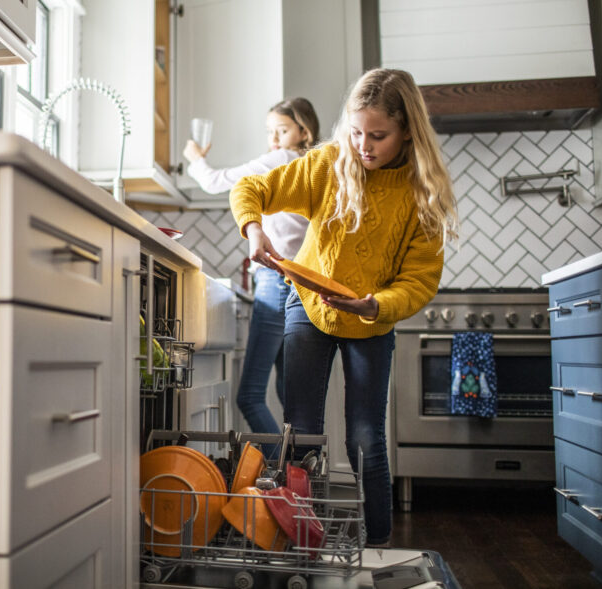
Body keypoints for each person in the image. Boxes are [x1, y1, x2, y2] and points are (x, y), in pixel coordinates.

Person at [229, 69, 459, 548]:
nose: (363, 146)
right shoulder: (329, 162)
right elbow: (250, 190)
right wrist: (254, 229)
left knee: (366, 442)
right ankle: (302, 548)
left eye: (378, 136)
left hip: (372, 320)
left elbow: (419, 281)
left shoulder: (422, 192)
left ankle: (376, 551)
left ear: (407, 132)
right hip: (308, 307)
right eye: (356, 132)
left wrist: (375, 305)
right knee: (302, 437)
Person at [183, 97, 320, 459]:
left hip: (276, 283)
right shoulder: (310, 166)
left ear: (303, 131)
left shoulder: (282, 161)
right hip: (296, 284)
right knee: (288, 396)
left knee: (249, 396)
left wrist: (196, 157)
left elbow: (217, 182)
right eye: (270, 132)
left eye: (283, 130)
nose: (274, 139)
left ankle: (284, 481)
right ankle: (299, 484)